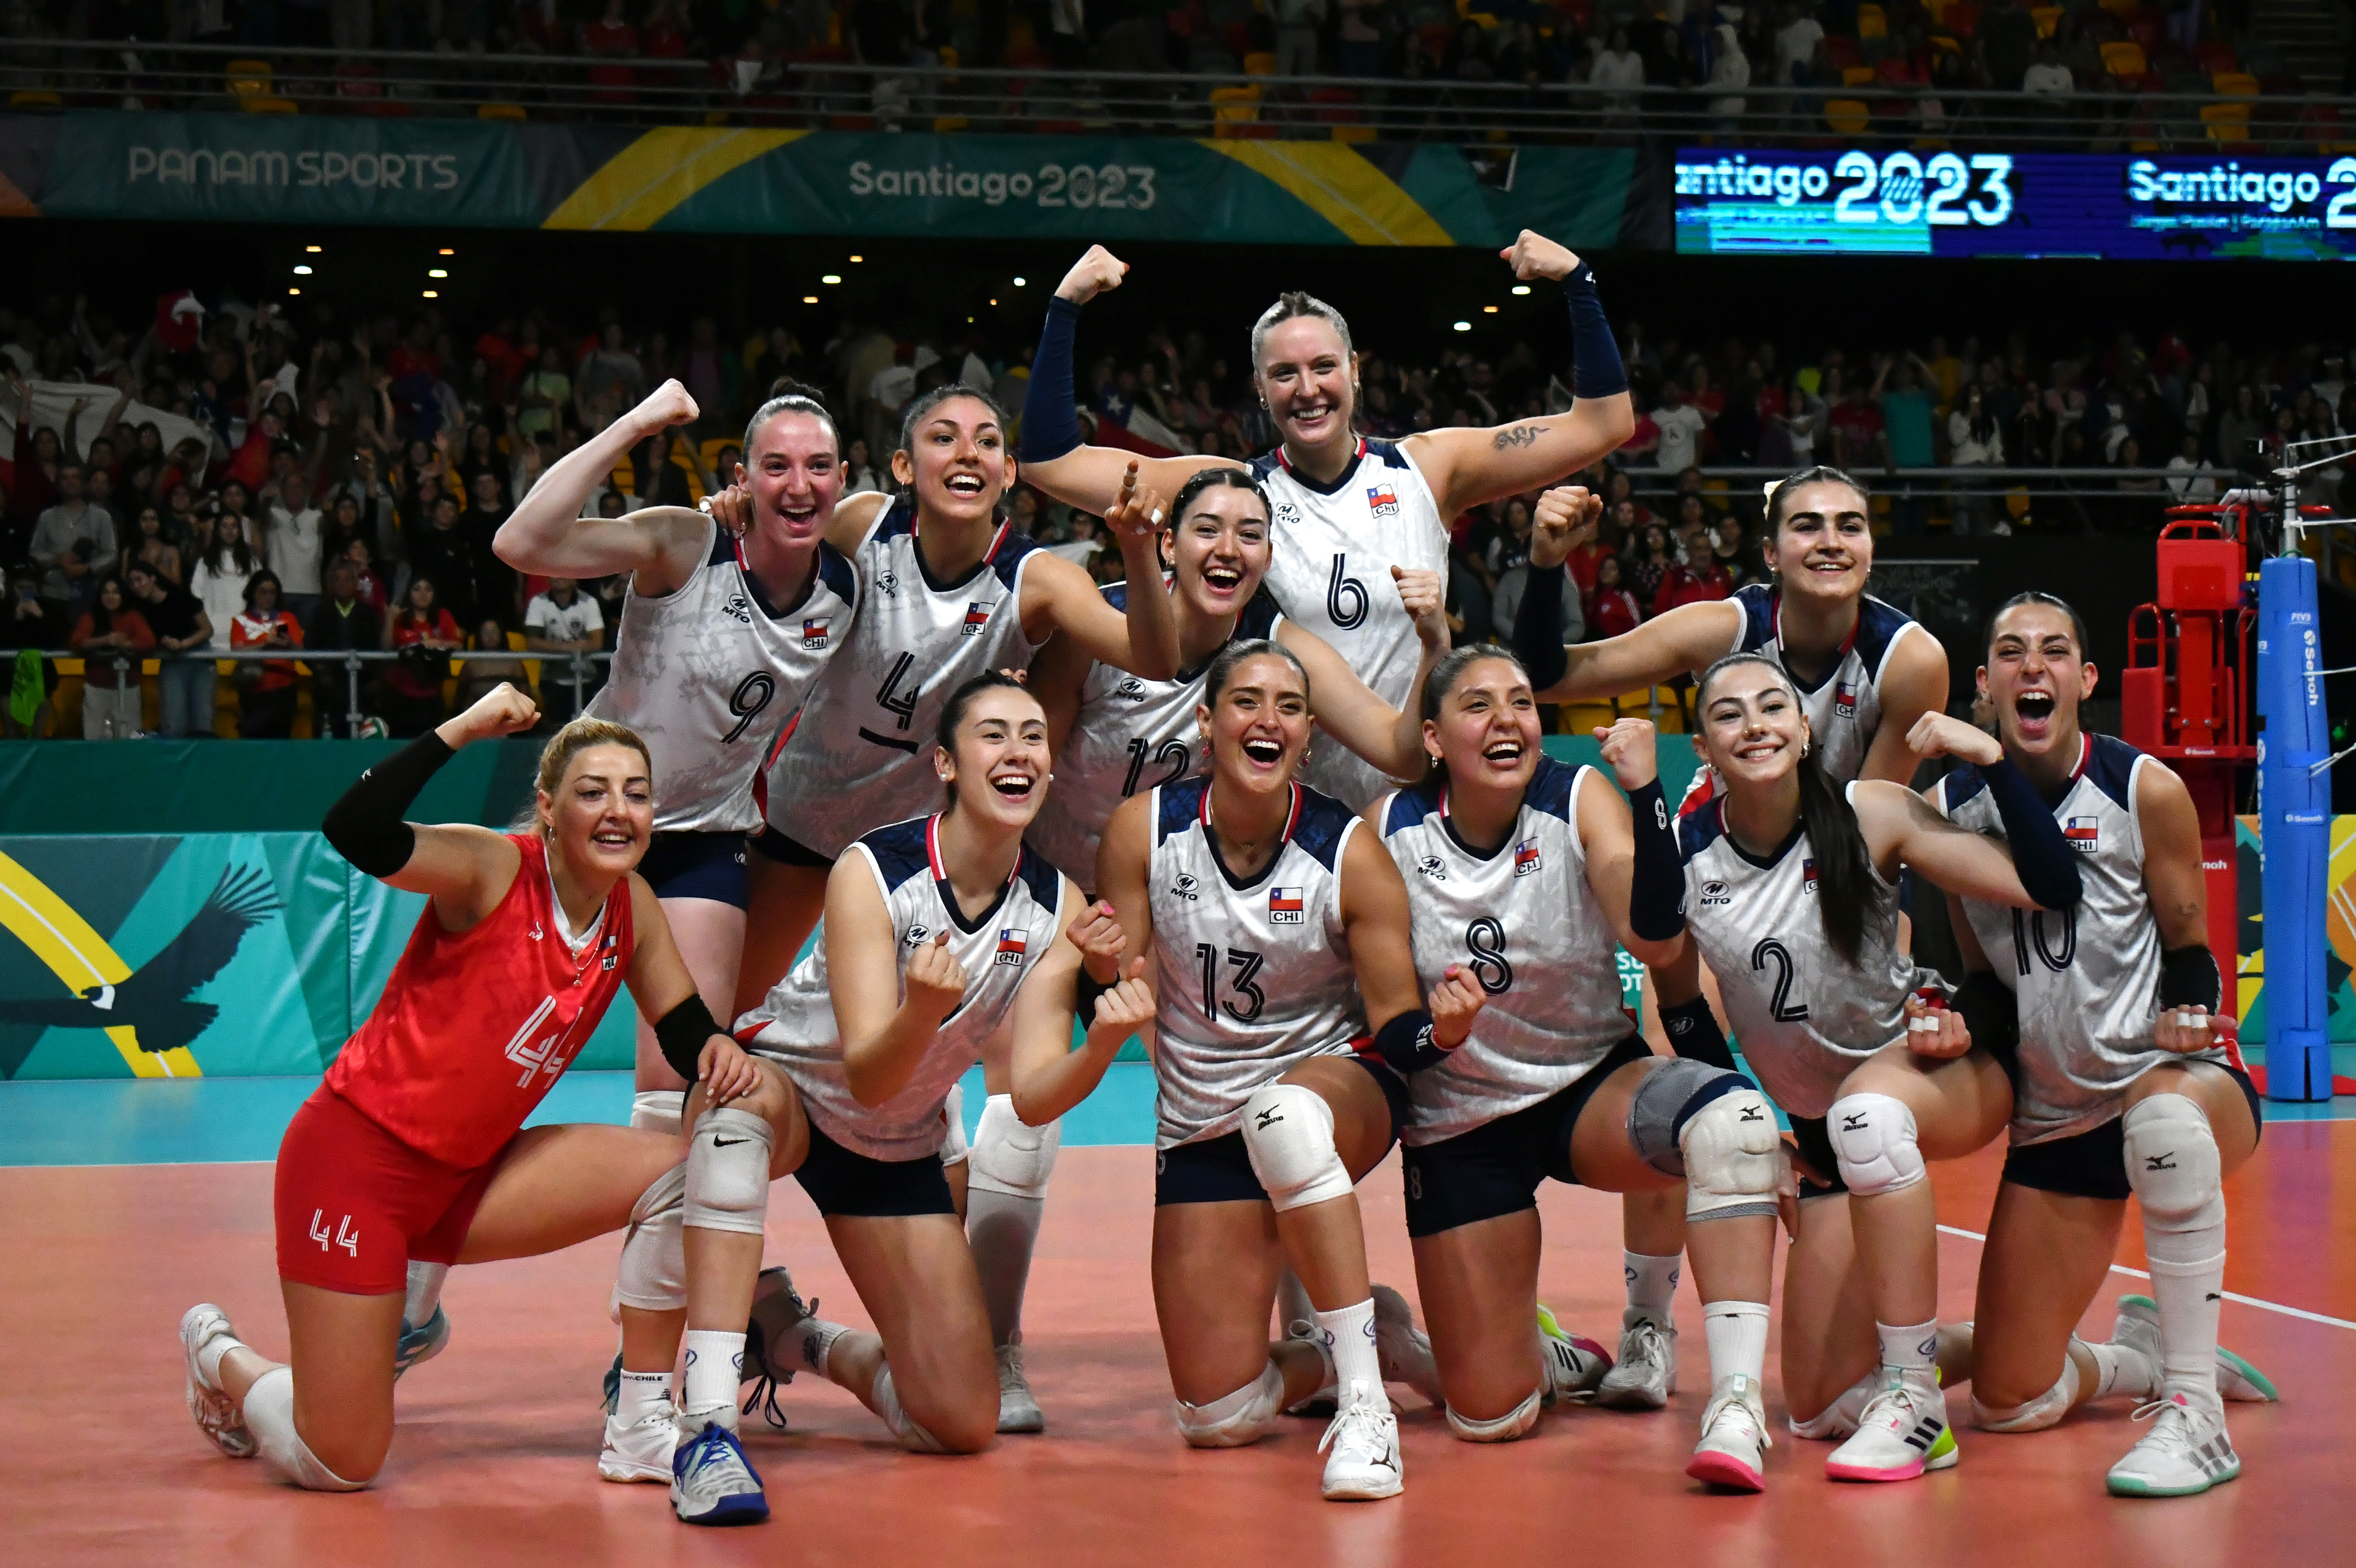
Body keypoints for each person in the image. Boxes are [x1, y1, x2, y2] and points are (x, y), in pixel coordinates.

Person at [715, 385, 1181, 1433]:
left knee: (957, 1417)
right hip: (801, 835)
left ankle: (820, 1335)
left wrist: (1139, 552)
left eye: (988, 441)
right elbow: (766, 551)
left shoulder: (1038, 579)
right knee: (701, 1077)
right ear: (900, 465)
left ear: (1010, 473)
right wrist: (729, 515)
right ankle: (667, 1376)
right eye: (942, 437)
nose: (966, 453)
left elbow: (1149, 652)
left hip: (917, 853)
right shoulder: (855, 525)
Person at [176, 687, 752, 1499]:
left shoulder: (634, 908)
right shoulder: (492, 867)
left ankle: (640, 1422)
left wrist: (725, 1054)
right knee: (341, 1461)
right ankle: (221, 1357)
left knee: (685, 1170)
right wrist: (465, 729)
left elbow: (687, 1030)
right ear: (548, 811)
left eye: (635, 792)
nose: (618, 811)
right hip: (356, 1168)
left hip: (469, 1181)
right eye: (593, 792)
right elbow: (355, 831)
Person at [1511, 466, 1949, 1397]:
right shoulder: (1727, 627)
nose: (1828, 542)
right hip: (1718, 866)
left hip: (1827, 885)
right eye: (1805, 526)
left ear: (1872, 544)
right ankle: (1645, 1326)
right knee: (1675, 1063)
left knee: (1830, 1381)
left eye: (1848, 525)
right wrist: (1549, 563)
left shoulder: (1908, 662)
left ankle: (1917, 1313)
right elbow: (1553, 675)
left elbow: (1860, 836)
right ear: (1770, 551)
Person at [494, 377, 865, 1476]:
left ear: (840, 483)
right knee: (493, 1066)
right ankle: (414, 1291)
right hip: (593, 828)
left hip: (702, 839)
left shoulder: (844, 585)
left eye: (818, 467)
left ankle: (640, 1373)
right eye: (776, 466)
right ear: (739, 480)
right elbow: (525, 537)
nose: (798, 485)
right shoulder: (679, 547)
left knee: (687, 1100)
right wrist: (637, 424)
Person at [1009, 640, 1450, 1503]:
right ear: (1207, 723)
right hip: (1205, 1120)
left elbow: (1395, 1029)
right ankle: (1351, 1341)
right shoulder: (1146, 827)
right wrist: (1102, 970)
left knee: (1283, 1120)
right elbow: (1127, 981)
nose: (1267, 720)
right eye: (1245, 702)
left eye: (1288, 707)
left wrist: (1443, 1032)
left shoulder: (1347, 849)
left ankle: (1364, 1407)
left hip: (1333, 1088)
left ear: (1309, 735)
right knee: (1215, 1415)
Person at [1623, 651, 2078, 1481]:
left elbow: (2048, 886)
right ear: (1703, 746)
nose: (1754, 725)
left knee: (1864, 1115)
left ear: (1803, 731)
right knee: (1816, 1407)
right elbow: (1683, 1011)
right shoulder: (1687, 860)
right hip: (1822, 1130)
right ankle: (2044, 1353)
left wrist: (1990, 758)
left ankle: (1915, 1400)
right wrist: (1759, 1129)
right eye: (1729, 715)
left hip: (1941, 1074)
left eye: (1773, 707)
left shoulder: (1870, 812)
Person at [1017, 234, 1633, 814]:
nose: (1307, 389)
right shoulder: (1233, 497)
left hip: (1428, 798)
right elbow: (1052, 464)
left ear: (1355, 371)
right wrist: (1065, 305)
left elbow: (1604, 425)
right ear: (1261, 388)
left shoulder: (1428, 469)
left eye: (1323, 367)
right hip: (1295, 816)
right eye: (1284, 374)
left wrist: (1578, 282)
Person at [1372, 647, 1785, 1486]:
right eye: (1478, 705)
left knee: (1731, 1122)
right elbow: (1383, 1022)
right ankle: (1521, 1357)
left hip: (1587, 1084)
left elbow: (1651, 934)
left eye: (1521, 702)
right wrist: (1437, 1036)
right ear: (1432, 736)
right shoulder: (1387, 831)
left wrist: (1641, 793)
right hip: (1460, 1120)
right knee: (1491, 1418)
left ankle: (1718, 1389)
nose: (1506, 720)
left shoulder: (1575, 796)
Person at [703, 676, 1093, 1516]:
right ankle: (698, 1424)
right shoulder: (874, 869)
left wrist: (1107, 1037)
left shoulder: (1058, 905)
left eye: (1033, 734)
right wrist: (924, 1011)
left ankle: (795, 1337)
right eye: (993, 735)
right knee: (725, 1130)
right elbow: (870, 1069)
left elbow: (1027, 1096)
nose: (1018, 750)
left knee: (957, 1421)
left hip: (893, 1139)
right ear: (948, 764)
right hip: (794, 1091)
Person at [1932, 593, 2275, 1496]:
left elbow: (2193, 949)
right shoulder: (1949, 807)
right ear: (1984, 685)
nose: (2031, 667)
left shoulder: (2139, 787)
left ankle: (2196, 1414)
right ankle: (2142, 1358)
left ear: (2085, 681)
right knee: (2007, 1399)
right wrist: (1961, 1023)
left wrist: (2186, 1014)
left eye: (2054, 652)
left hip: (2171, 1080)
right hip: (2058, 1117)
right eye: (2010, 652)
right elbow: (1985, 979)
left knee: (2161, 1120)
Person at [1026, 467, 1452, 891]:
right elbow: (1033, 760)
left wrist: (1435, 646)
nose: (1228, 549)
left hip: (1171, 896)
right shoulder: (1097, 623)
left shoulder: (1280, 652)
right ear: (1170, 546)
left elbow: (1403, 755)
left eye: (1249, 535)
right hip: (1053, 883)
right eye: (1207, 530)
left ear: (1267, 559)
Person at [125, 559, 215, 737]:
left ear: (153, 579)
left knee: (202, 722)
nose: (135, 586)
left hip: (199, 658)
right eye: (131, 582)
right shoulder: (138, 609)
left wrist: (183, 644)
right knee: (173, 724)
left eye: (139, 580)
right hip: (171, 661)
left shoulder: (181, 597)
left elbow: (207, 630)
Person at [70, 573, 156, 739]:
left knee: (128, 743)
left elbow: (149, 641)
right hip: (97, 689)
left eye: (116, 592)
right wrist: (106, 640)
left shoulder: (133, 616)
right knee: (94, 741)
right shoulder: (91, 616)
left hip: (128, 689)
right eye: (106, 592)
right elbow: (77, 642)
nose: (111, 596)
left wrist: (124, 643)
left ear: (123, 595)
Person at [306, 561, 385, 738]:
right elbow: (309, 648)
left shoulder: (369, 614)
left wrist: (377, 678)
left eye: (348, 580)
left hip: (363, 690)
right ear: (330, 584)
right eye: (337, 580)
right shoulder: (320, 613)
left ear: (356, 584)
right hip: (329, 690)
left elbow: (379, 650)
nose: (342, 584)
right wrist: (319, 670)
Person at [381, 575, 464, 738]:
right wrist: (390, 619)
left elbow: (458, 644)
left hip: (432, 695)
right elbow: (386, 647)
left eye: (428, 589)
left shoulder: (443, 616)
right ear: (409, 594)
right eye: (417, 589)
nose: (423, 594)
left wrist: (437, 643)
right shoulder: (400, 617)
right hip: (400, 694)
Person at [522, 575, 607, 721]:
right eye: (554, 573)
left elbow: (597, 643)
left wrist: (552, 647)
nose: (559, 577)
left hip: (587, 679)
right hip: (553, 680)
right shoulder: (538, 602)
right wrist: (576, 647)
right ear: (547, 578)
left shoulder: (589, 602)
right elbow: (532, 643)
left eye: (564, 573)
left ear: (575, 578)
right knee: (557, 731)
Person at [231, 571, 305, 738]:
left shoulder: (287, 618)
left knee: (281, 744)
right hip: (253, 691)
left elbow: (300, 652)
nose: (268, 597)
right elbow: (237, 650)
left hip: (284, 691)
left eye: (272, 592)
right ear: (253, 593)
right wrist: (266, 644)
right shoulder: (241, 621)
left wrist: (288, 644)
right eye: (263, 592)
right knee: (254, 745)